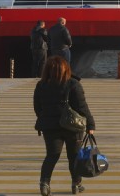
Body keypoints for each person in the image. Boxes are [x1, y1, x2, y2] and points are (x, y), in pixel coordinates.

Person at [34, 56, 96, 196]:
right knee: (74, 157)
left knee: (51, 156)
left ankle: (44, 184)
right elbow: (82, 107)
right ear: (66, 69)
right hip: (72, 127)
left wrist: (47, 118)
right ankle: (76, 184)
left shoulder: (41, 85)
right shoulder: (73, 84)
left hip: (49, 127)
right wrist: (90, 124)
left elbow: (37, 107)